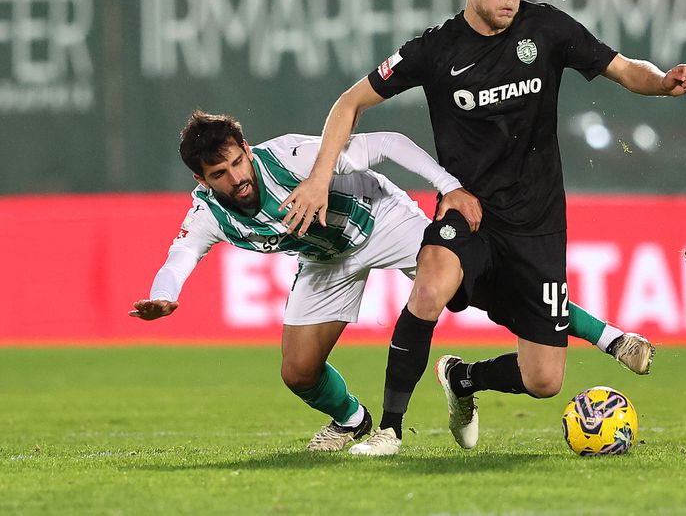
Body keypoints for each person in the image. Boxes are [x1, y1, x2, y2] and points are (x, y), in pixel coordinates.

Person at [279, 0, 686, 456]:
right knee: (428, 287)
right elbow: (349, 102)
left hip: (538, 225)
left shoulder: (546, 29)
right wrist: (317, 178)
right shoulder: (434, 50)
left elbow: (625, 70)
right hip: (469, 213)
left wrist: (662, 81)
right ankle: (389, 430)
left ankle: (464, 380)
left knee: (545, 379)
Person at [129, 110, 644, 453]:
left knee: (492, 289)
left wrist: (449, 188)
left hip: (382, 220)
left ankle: (611, 337)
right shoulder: (207, 214)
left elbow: (390, 142)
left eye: (237, 161)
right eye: (219, 173)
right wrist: (164, 295)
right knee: (298, 372)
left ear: (245, 147)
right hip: (325, 259)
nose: (236, 177)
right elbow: (180, 256)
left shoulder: (291, 157)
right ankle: (352, 422)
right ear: (202, 180)